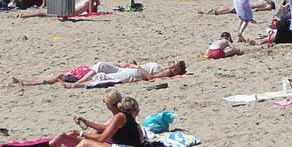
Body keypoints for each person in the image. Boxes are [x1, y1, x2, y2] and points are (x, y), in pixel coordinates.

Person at [42, 91, 144, 147]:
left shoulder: (119, 117)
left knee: (85, 143)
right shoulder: (122, 115)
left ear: (109, 103)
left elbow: (101, 138)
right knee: (88, 145)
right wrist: (86, 122)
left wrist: (80, 133)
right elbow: (105, 128)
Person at [10, 59, 185, 87]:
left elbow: (150, 78)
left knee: (100, 76)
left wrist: (137, 67)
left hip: (132, 74)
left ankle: (77, 85)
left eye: (174, 64)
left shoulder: (165, 72)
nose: (171, 62)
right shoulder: (162, 66)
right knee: (100, 65)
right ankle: (28, 81)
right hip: (127, 69)